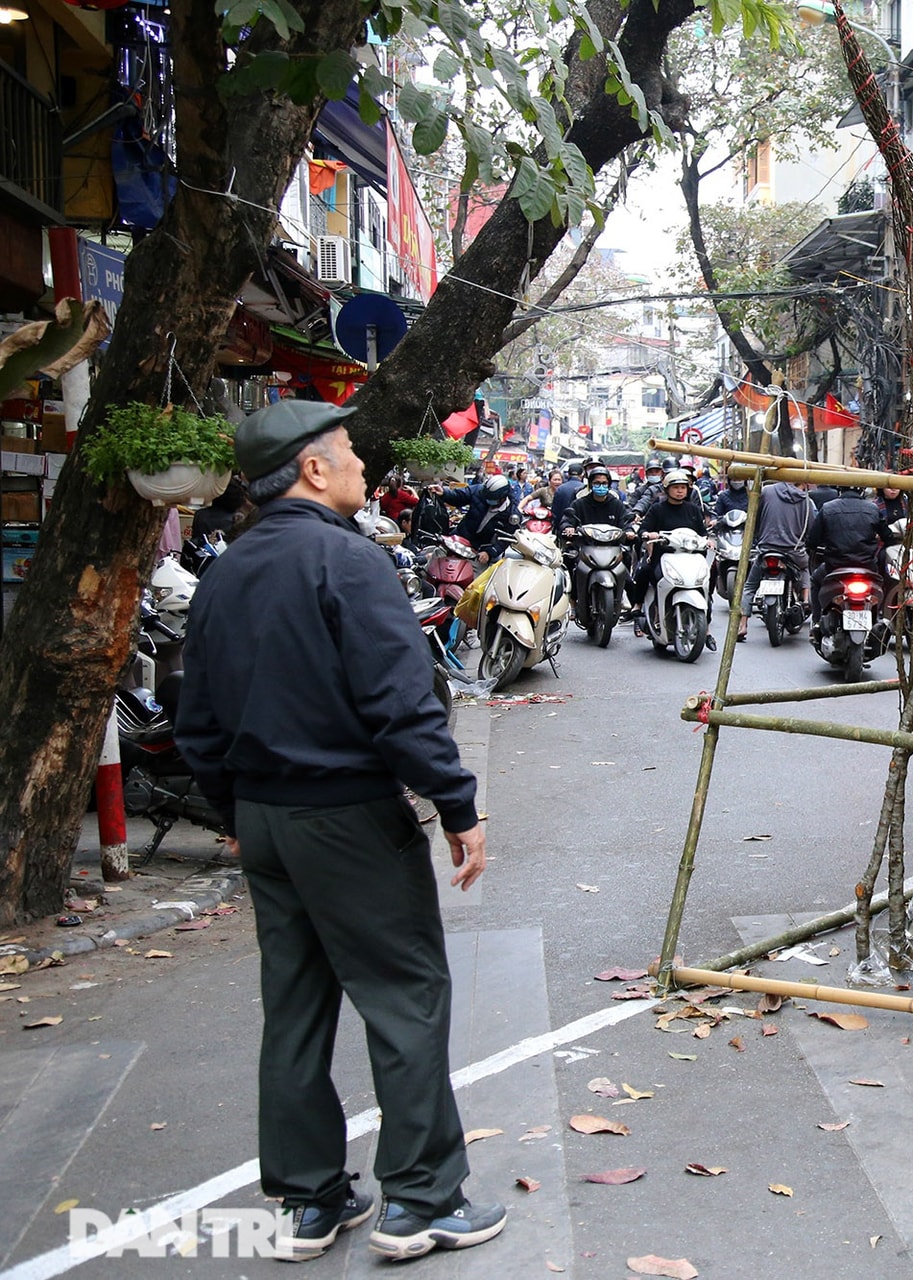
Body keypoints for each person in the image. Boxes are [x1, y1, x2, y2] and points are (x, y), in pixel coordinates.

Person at [173, 400, 505, 1263]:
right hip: (346, 817)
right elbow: (402, 706)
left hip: (265, 819)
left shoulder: (226, 572)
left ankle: (310, 1202)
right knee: (405, 999)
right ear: (313, 469)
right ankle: (423, 1200)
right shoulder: (347, 562)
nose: (362, 462)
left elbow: (195, 720)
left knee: (295, 1008)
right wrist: (459, 808)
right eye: (351, 449)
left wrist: (235, 812)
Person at [630, 468, 709, 630]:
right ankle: (638, 605)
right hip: (663, 556)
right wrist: (647, 534)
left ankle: (705, 628)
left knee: (705, 582)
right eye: (675, 487)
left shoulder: (693, 510)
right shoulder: (657, 509)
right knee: (644, 570)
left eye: (683, 487)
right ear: (666, 489)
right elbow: (643, 529)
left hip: (690, 557)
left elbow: (702, 532)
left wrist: (709, 541)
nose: (680, 491)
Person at [738, 480, 813, 640]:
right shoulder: (806, 500)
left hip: (766, 549)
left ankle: (742, 624)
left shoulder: (766, 491)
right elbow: (810, 529)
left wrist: (755, 535)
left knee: (750, 587)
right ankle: (805, 599)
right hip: (794, 551)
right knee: (805, 567)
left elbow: (754, 518)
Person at [806, 486, 888, 626]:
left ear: (840, 490)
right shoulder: (873, 509)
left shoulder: (827, 508)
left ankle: (817, 621)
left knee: (815, 581)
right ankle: (876, 620)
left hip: (835, 566)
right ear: (861, 491)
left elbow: (812, 541)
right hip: (867, 566)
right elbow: (888, 536)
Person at [559, 465, 629, 605]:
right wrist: (568, 528)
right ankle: (572, 599)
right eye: (597, 483)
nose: (600, 486)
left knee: (626, 558)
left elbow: (626, 522)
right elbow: (567, 521)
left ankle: (624, 595)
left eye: (604, 483)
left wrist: (630, 532)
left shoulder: (617, 505)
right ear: (590, 484)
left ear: (609, 485)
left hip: (611, 548)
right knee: (570, 560)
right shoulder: (580, 504)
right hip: (585, 547)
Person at [433, 473, 520, 564]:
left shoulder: (512, 515)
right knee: (436, 561)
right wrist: (444, 493)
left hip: (479, 552)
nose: (488, 501)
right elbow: (460, 496)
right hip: (459, 539)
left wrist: (489, 553)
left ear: (502, 498)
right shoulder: (478, 491)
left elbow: (505, 540)